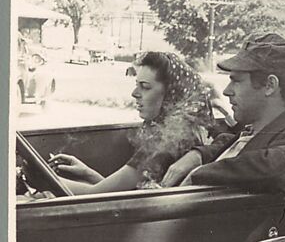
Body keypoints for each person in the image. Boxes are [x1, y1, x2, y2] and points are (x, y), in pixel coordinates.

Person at [161, 33, 285, 191]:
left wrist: (200, 173)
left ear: (270, 85)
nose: (226, 91)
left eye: (237, 81)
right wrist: (199, 155)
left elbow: (283, 163)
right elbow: (240, 141)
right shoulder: (253, 130)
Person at [49, 52, 214, 194]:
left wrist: (44, 180)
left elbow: (96, 195)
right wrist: (87, 173)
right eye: (137, 85)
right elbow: (122, 193)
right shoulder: (182, 133)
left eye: (145, 87)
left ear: (171, 95)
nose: (135, 93)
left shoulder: (168, 141)